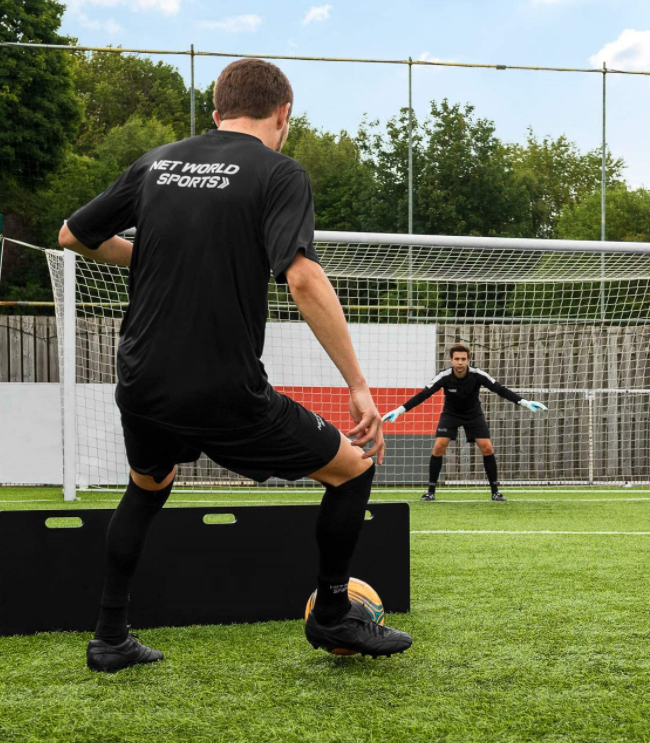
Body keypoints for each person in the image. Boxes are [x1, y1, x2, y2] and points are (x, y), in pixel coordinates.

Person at [58, 58, 412, 672]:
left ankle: (109, 637)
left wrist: (151, 257)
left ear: (216, 113)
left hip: (141, 382)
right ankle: (331, 613)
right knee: (353, 469)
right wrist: (358, 385)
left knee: (148, 486)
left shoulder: (157, 162)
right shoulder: (279, 173)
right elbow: (302, 277)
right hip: (223, 390)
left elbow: (72, 235)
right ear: (284, 113)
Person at [382, 344, 547, 502]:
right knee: (439, 446)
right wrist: (399, 410)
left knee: (487, 447)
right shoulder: (444, 377)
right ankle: (430, 491)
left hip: (473, 414)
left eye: (463, 359)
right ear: (451, 360)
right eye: (456, 359)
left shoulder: (478, 375)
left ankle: (495, 492)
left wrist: (524, 402)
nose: (460, 362)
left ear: (468, 360)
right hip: (451, 414)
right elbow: (424, 394)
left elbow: (500, 389)